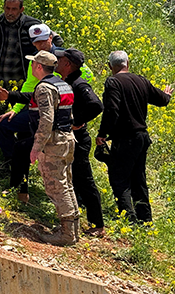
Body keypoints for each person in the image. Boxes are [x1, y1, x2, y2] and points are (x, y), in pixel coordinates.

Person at [96, 50, 172, 223]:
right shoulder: (141, 80)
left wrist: (102, 134)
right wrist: (167, 95)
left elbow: (112, 110)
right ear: (127, 63)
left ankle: (128, 218)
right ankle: (145, 219)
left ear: (110, 66)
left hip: (125, 138)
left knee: (119, 178)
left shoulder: (113, 82)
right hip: (141, 137)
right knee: (139, 178)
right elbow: (162, 100)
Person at [0, 23, 63, 201]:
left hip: (53, 119)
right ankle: (16, 175)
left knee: (25, 147)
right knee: (7, 128)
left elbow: (83, 75)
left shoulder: (63, 57)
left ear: (51, 37)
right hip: (34, 110)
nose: (39, 45)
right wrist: (15, 109)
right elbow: (30, 87)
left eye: (42, 41)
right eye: (35, 42)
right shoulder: (37, 59)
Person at [15, 50, 80, 246]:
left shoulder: (43, 88)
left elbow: (47, 120)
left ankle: (67, 234)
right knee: (66, 184)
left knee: (56, 187)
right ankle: (72, 229)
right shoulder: (63, 84)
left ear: (39, 67)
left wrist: (36, 147)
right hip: (67, 139)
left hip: (53, 143)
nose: (32, 66)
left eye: (34, 63)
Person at [54, 48, 105, 236]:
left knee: (85, 180)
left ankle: (98, 225)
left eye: (60, 60)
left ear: (67, 64)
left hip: (79, 140)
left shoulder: (79, 83)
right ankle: (73, 219)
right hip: (70, 138)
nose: (57, 62)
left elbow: (96, 105)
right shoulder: (67, 81)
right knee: (71, 179)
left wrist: (77, 121)